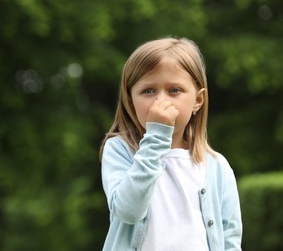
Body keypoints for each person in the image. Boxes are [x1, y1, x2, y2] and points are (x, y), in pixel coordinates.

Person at [99, 36, 242, 251]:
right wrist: (157, 137)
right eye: (148, 91)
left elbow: (230, 237)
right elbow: (129, 211)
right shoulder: (120, 150)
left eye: (174, 90)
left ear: (198, 100)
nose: (161, 101)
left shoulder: (216, 166)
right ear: (130, 100)